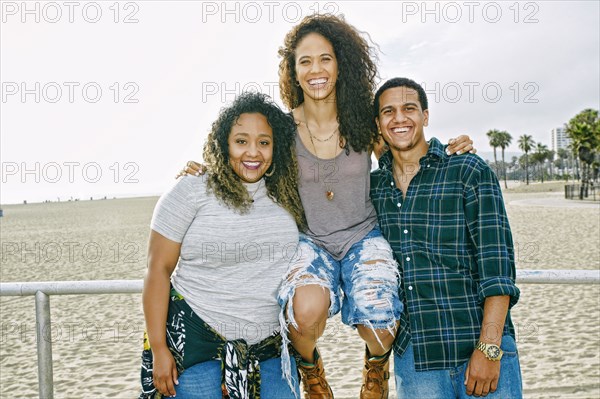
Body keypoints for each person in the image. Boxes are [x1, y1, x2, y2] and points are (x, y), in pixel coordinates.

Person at [180, 14, 476, 399]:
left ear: (340, 65)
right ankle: (310, 370)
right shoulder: (282, 129)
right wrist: (207, 171)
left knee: (382, 322)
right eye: (305, 61)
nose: (316, 69)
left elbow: (407, 152)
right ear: (293, 71)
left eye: (325, 59)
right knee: (303, 313)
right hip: (309, 240)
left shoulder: (362, 123)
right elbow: (249, 162)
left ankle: (375, 368)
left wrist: (451, 150)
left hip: (363, 235)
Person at [139, 92, 306, 399]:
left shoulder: (288, 195)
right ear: (223, 144)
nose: (253, 152)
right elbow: (157, 269)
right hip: (197, 347)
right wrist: (160, 349)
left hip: (271, 353)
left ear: (276, 147)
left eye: (264, 142)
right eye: (241, 141)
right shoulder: (191, 189)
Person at [370, 77, 522, 399]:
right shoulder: (373, 189)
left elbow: (498, 269)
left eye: (409, 109)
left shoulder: (467, 170)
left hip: (479, 349)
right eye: (389, 112)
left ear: (425, 116)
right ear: (378, 123)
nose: (399, 118)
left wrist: (490, 349)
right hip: (416, 359)